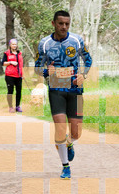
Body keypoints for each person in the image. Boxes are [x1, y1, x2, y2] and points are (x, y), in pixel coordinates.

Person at [34, 10, 92, 179]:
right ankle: (65, 166)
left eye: (67, 24)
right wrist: (46, 71)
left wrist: (84, 74)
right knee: (60, 128)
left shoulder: (76, 40)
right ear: (53, 24)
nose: (64, 27)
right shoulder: (44, 44)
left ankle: (68, 144)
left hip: (75, 90)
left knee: (76, 133)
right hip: (56, 89)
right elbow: (37, 67)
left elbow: (88, 60)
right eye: (60, 23)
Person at [2, 38, 24, 113]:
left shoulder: (19, 53)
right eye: (13, 44)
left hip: (19, 75)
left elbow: (21, 64)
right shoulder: (7, 53)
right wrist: (11, 62)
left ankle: (17, 106)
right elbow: (3, 63)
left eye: (15, 44)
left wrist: (22, 74)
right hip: (10, 75)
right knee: (10, 91)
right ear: (10, 45)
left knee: (19, 91)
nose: (14, 45)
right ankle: (10, 107)